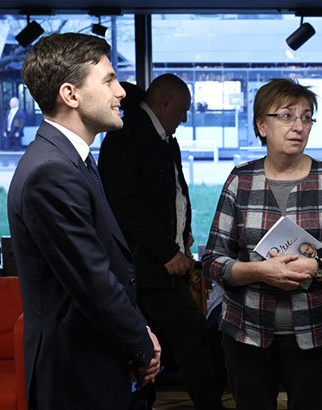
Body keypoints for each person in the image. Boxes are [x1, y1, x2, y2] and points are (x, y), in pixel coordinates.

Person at [7, 33, 161, 410]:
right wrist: (142, 344)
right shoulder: (51, 171)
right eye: (109, 80)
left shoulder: (71, 159)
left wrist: (139, 333)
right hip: (76, 376)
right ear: (70, 95)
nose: (121, 92)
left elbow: (109, 265)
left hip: (96, 362)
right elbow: (93, 282)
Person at [202, 78, 322, 410]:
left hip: (318, 334)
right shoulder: (240, 180)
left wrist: (315, 267)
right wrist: (259, 271)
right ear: (261, 126)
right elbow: (212, 260)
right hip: (246, 334)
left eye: (306, 117)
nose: (299, 126)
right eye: (286, 116)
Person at [98, 73, 224, 410]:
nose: (184, 119)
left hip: (156, 261)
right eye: (183, 110)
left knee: (149, 342)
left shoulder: (165, 138)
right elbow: (125, 205)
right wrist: (167, 250)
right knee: (192, 333)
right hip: (145, 265)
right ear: (164, 103)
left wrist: (182, 233)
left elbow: (173, 193)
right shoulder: (126, 136)